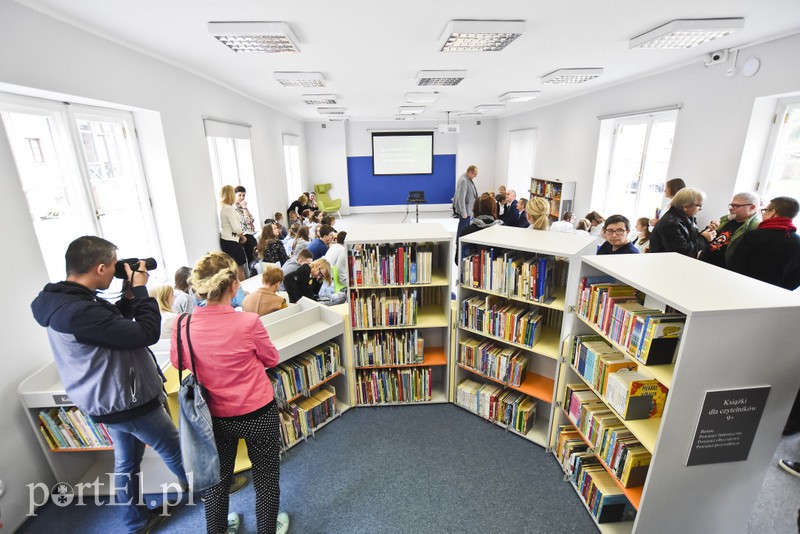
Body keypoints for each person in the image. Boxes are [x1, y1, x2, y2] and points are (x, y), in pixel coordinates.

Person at [31, 236, 187, 534]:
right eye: (114, 265)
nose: (118, 270)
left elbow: (108, 326)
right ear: (100, 268)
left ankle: (135, 521)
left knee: (126, 462)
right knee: (176, 449)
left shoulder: (63, 300)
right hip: (127, 401)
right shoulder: (78, 310)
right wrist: (141, 289)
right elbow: (145, 333)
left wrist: (128, 298)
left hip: (106, 398)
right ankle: (214, 494)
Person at [170, 252, 289, 534]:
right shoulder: (247, 323)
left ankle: (218, 530)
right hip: (258, 412)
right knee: (266, 478)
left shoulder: (182, 325)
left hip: (212, 416)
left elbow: (180, 363)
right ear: (234, 285)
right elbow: (271, 359)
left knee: (217, 479)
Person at [727, 196, 800, 290]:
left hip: (743, 288)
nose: (762, 214)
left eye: (765, 210)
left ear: (772, 212)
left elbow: (734, 266)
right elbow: (796, 278)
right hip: (772, 295)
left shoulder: (754, 235)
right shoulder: (797, 242)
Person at [699, 192, 761, 268]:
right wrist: (708, 230)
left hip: (724, 272)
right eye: (732, 205)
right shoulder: (726, 220)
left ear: (752, 207)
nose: (731, 208)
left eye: (737, 206)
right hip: (704, 265)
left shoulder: (756, 227)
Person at [649, 188, 717, 257]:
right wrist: (704, 239)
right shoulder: (670, 223)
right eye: (699, 205)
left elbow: (690, 240)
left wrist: (707, 231)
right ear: (686, 206)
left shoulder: (687, 218)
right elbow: (681, 250)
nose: (701, 209)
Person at [456, 193, 504, 262]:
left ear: (474, 209)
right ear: (493, 209)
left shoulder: (467, 231)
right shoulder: (502, 229)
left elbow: (457, 260)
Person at [218, 184, 248, 281]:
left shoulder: (223, 207)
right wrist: (243, 237)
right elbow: (236, 228)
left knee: (235, 268)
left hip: (227, 241)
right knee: (239, 269)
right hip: (232, 241)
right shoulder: (228, 208)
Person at [234, 186, 258, 273]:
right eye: (239, 195)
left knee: (256, 256)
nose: (242, 198)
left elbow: (252, 219)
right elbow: (246, 220)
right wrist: (244, 208)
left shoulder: (242, 207)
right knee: (251, 259)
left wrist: (244, 208)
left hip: (251, 233)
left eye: (243, 195)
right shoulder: (234, 208)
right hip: (244, 235)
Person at [454, 165, 479, 236]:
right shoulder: (464, 180)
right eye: (475, 174)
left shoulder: (468, 179)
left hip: (469, 210)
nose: (476, 176)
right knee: (463, 229)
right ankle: (459, 245)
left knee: (465, 229)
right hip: (465, 211)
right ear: (470, 172)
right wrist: (463, 212)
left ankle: (461, 244)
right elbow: (461, 198)